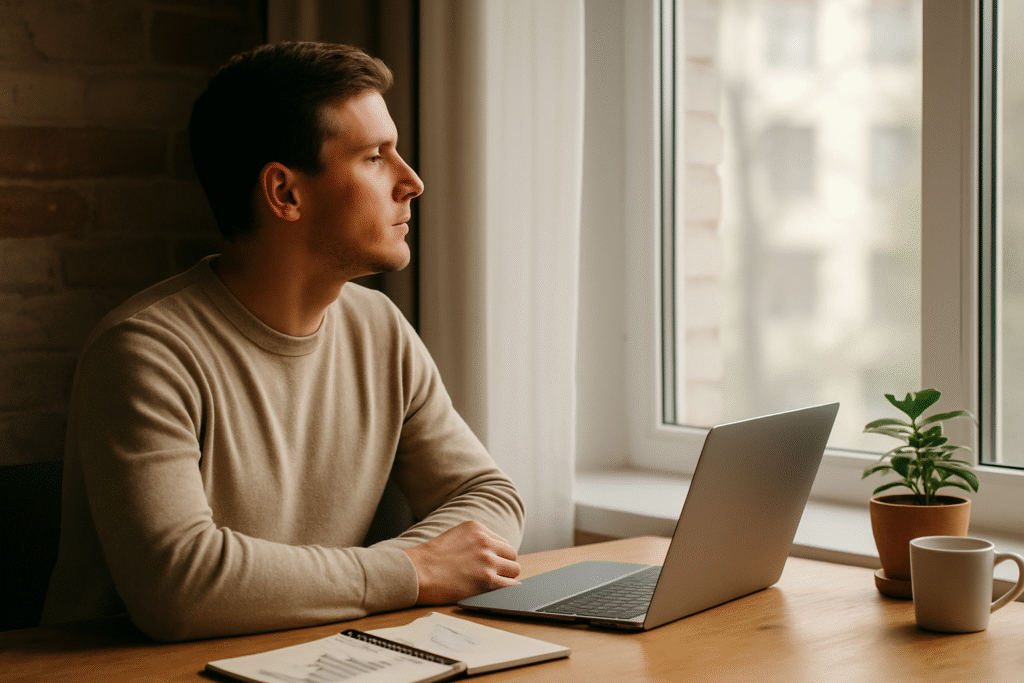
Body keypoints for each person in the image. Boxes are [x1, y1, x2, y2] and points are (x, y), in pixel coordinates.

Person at [41, 42, 525, 642]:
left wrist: (410, 571)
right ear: (285, 193)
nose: (412, 182)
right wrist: (410, 571)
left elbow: (488, 495)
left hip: (310, 655)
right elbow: (180, 586)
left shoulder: (379, 329)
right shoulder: (145, 352)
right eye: (376, 157)